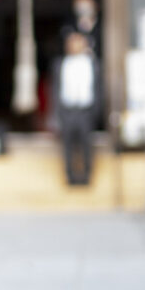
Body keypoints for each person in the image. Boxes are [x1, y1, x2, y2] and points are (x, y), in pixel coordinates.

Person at [55, 31, 101, 186]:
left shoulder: (92, 64)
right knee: (67, 147)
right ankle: (70, 177)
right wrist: (58, 113)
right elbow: (55, 89)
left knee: (86, 145)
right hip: (67, 110)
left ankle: (87, 177)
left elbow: (98, 89)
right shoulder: (61, 64)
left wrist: (95, 111)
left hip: (85, 111)